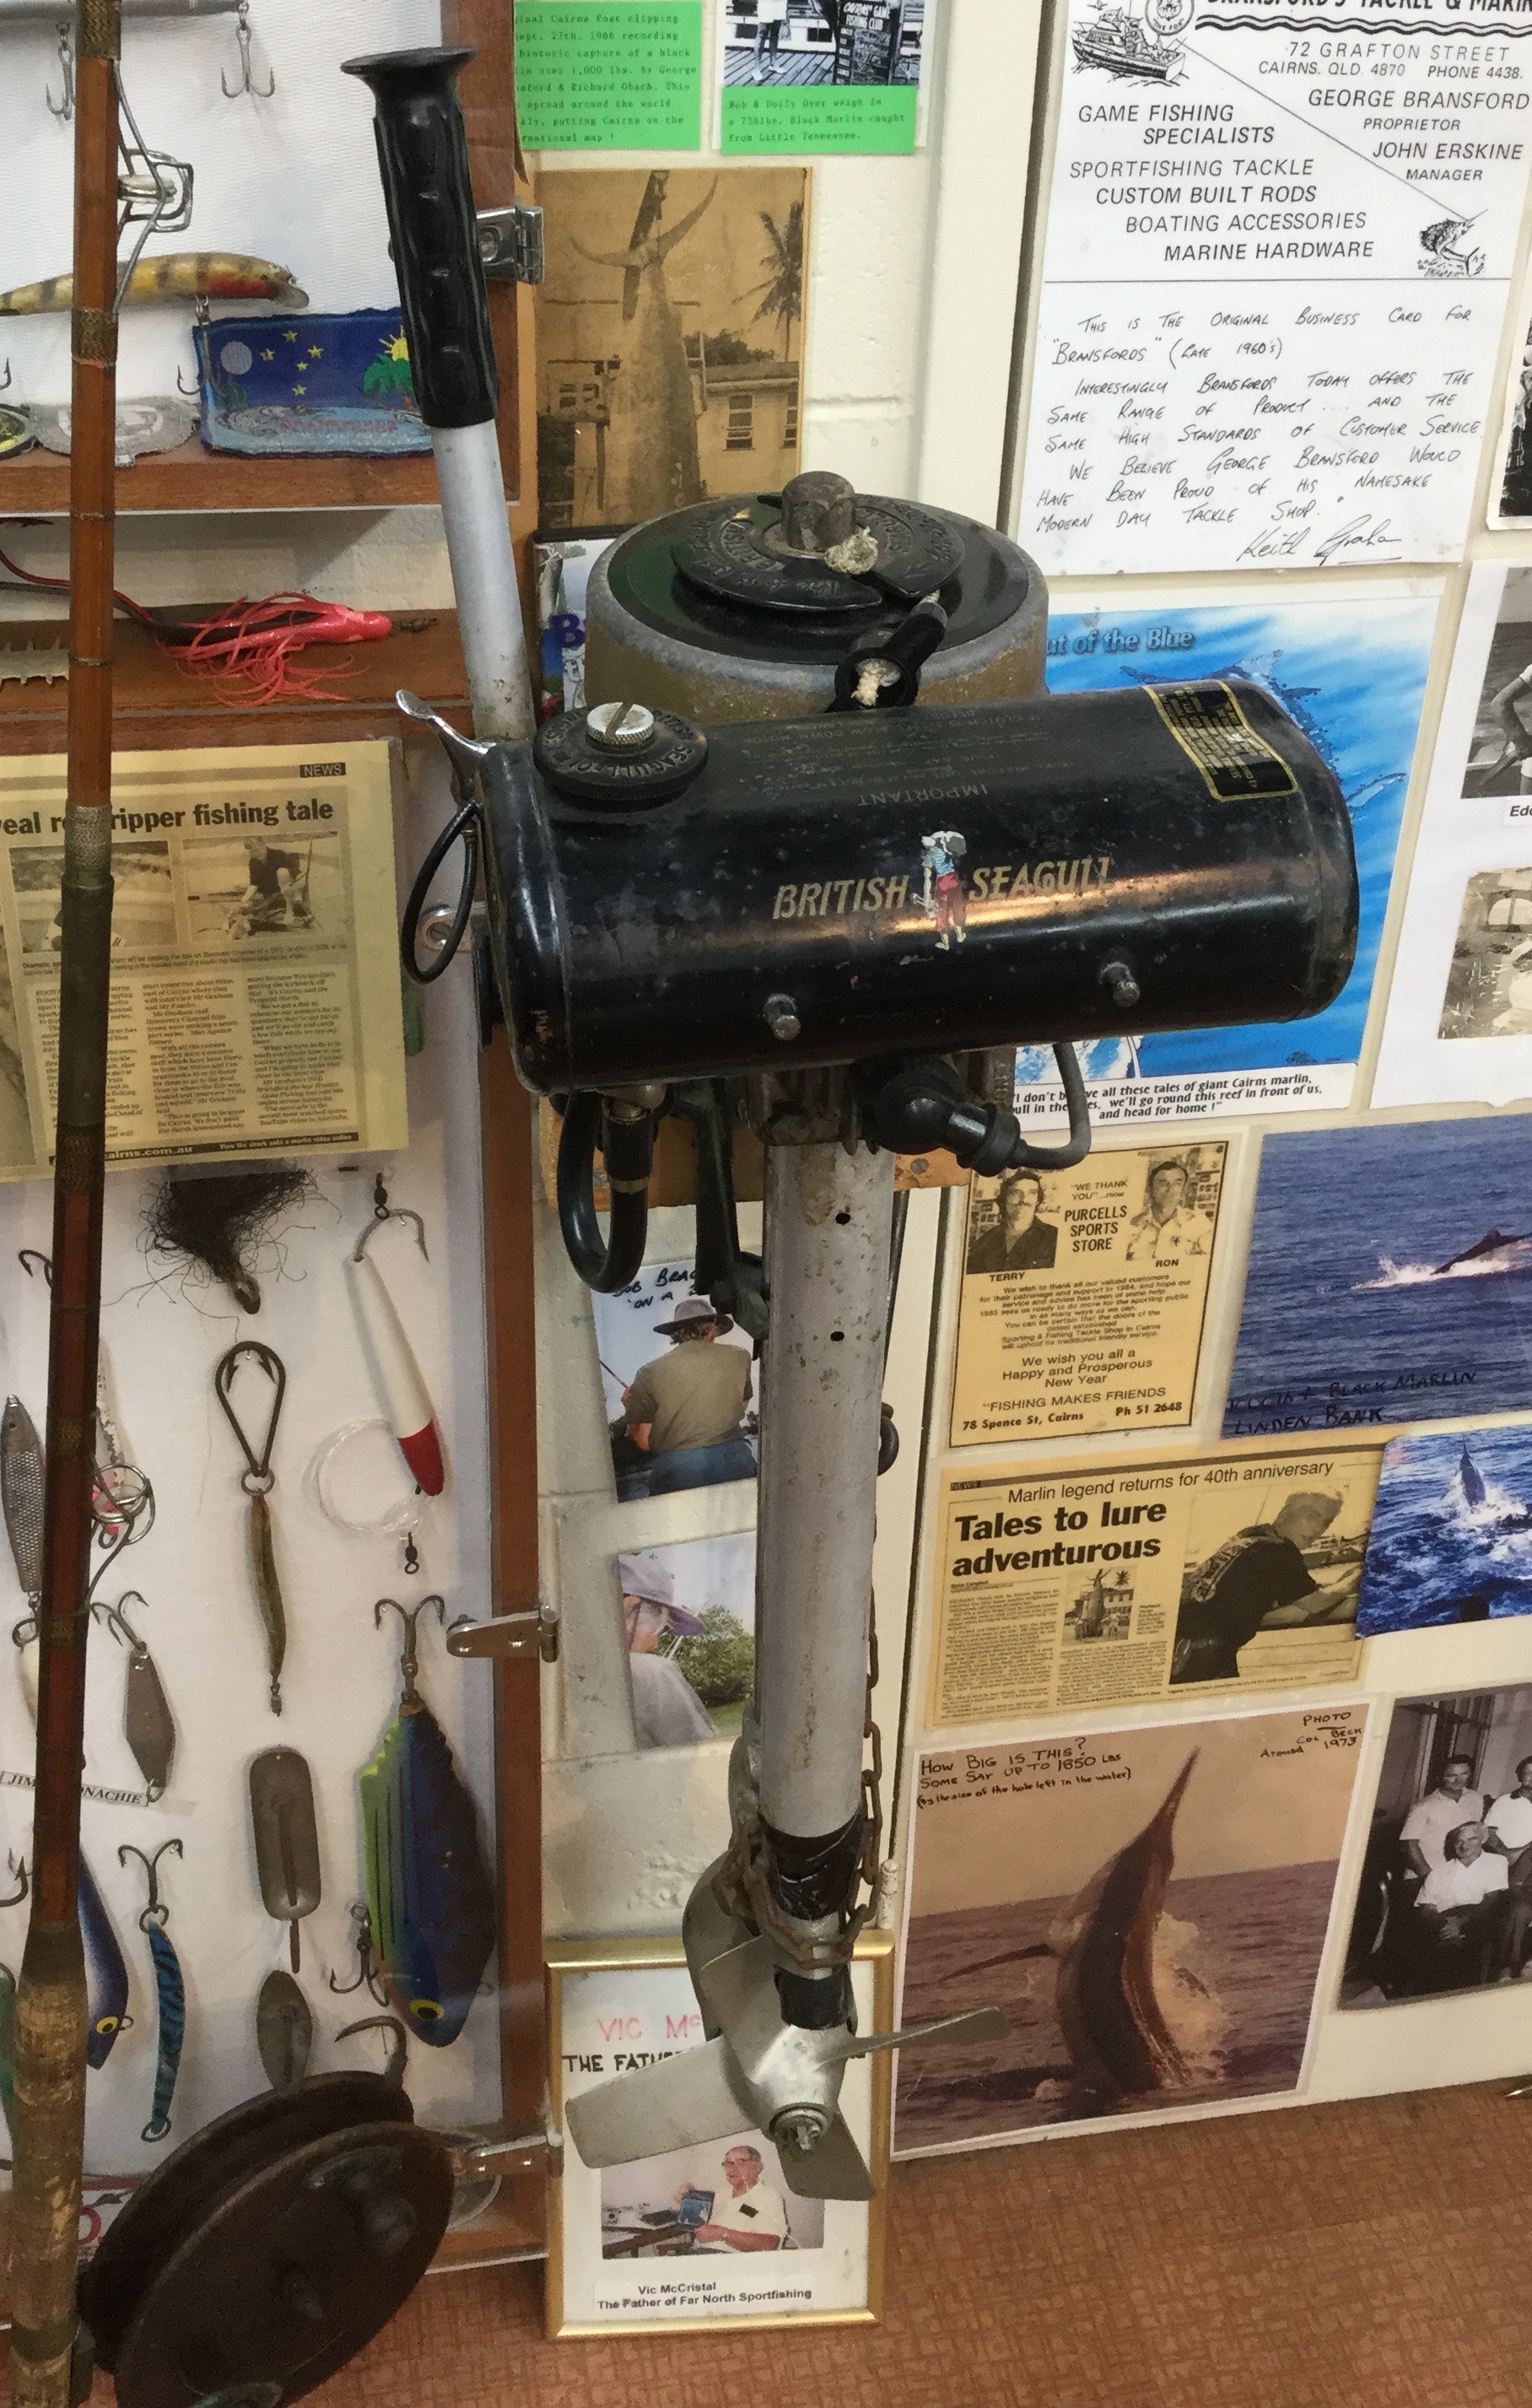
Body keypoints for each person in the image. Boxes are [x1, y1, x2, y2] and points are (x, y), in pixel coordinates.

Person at [1168, 1488, 1363, 1685]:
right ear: (1285, 1513)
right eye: (1312, 1516)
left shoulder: (1248, 1537)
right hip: (1204, 1658)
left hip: (1176, 1649)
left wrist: (1334, 1585)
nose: (1319, 1529)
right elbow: (1315, 1603)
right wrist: (1355, 1578)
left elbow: (1251, 1592)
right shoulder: (1279, 1549)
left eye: (1326, 1522)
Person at [618, 1296, 755, 1495]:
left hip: (677, 1470)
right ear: (713, 1325)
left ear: (676, 1332)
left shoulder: (648, 1372)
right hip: (735, 1460)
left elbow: (642, 1441)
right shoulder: (740, 1356)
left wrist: (630, 1406)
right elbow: (742, 1403)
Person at [617, 1550, 715, 1750]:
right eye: (662, 1629)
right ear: (630, 1606)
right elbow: (702, 1755)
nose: (655, 1644)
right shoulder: (652, 1673)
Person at [683, 2144, 787, 2251]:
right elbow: (700, 2229)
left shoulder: (768, 2197)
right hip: (697, 2253)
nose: (732, 2169)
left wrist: (723, 2234)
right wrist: (689, 2201)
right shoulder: (721, 2195)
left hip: (730, 2259)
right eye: (728, 2164)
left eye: (741, 2163)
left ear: (757, 2167)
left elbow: (771, 2244)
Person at [1483, 1755, 1532, 1975]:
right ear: (1520, 1775)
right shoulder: (1504, 1801)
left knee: (1520, 1909)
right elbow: (1489, 1834)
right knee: (1515, 1909)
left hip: (1528, 1866)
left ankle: (1513, 1967)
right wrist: (1507, 1854)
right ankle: (1505, 1968)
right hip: (1503, 1864)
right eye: (1528, 1772)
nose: (1531, 1777)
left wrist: (1522, 1852)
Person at [1400, 1755, 1481, 1878]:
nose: (1458, 1780)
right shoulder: (1423, 1806)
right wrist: (1428, 1876)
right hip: (1425, 1874)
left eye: (1464, 1774)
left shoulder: (1476, 1798)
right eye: (1451, 1775)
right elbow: (1409, 1844)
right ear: (1441, 1777)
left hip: (1459, 1875)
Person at [966, 1169, 1059, 1275]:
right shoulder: (986, 1241)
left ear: (1038, 1200)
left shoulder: (1054, 1237)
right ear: (1004, 1199)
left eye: (1032, 1193)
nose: (1024, 1199)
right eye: (1016, 1193)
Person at [1125, 1159, 1216, 1265]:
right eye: (1164, 1184)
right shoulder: (1131, 1226)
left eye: (1177, 1184)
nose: (1170, 1190)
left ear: (1183, 1189)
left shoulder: (1199, 1225)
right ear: (1150, 1189)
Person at [230, 834, 314, 937]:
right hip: (268, 895)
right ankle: (267, 918)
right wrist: (242, 901)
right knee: (246, 908)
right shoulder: (253, 862)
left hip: (285, 892)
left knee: (282, 872)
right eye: (251, 851)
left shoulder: (278, 855)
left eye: (255, 849)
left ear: (263, 844)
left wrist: (291, 888)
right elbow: (254, 885)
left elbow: (299, 874)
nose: (253, 853)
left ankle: (290, 912)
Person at [752, 0, 787, 78]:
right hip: (766, 4)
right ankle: (756, 69)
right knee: (762, 34)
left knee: (775, 33)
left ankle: (773, 64)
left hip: (779, 4)